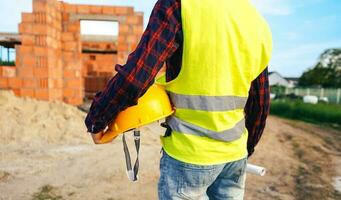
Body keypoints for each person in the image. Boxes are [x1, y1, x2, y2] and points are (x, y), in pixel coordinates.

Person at [85, 0, 272, 199]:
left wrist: (98, 120)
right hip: (235, 156)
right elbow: (260, 102)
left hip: (189, 155)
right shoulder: (256, 21)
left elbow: (136, 77)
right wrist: (246, 149)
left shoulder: (179, 4)